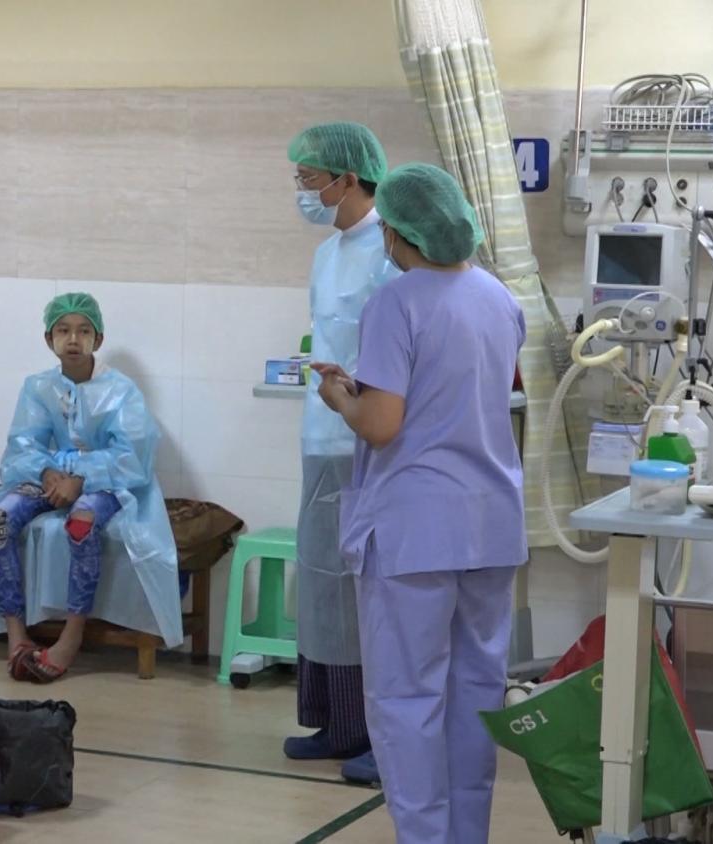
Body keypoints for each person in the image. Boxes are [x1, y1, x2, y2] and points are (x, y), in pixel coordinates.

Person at [312, 163, 526, 844]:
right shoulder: (499, 297)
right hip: (490, 526)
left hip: (416, 532)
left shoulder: (396, 302)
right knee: (475, 694)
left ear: (397, 233)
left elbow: (382, 425)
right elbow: (457, 392)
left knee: (408, 700)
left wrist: (339, 396)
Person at [283, 122, 399, 786]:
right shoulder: (328, 254)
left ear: (348, 178)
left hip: (367, 437)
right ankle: (337, 723)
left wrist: (357, 404)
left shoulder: (392, 252)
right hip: (321, 433)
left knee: (365, 589)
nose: (301, 190)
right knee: (323, 578)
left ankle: (376, 733)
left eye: (309, 178)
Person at [0, 292, 175, 683]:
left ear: (98, 339)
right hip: (52, 477)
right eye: (63, 330)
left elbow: (132, 458)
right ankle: (16, 635)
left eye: (84, 331)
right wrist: (45, 473)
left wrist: (81, 477)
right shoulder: (37, 387)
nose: (73, 339)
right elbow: (22, 446)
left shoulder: (122, 391)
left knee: (82, 521)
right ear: (48, 339)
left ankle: (71, 638)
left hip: (111, 483)